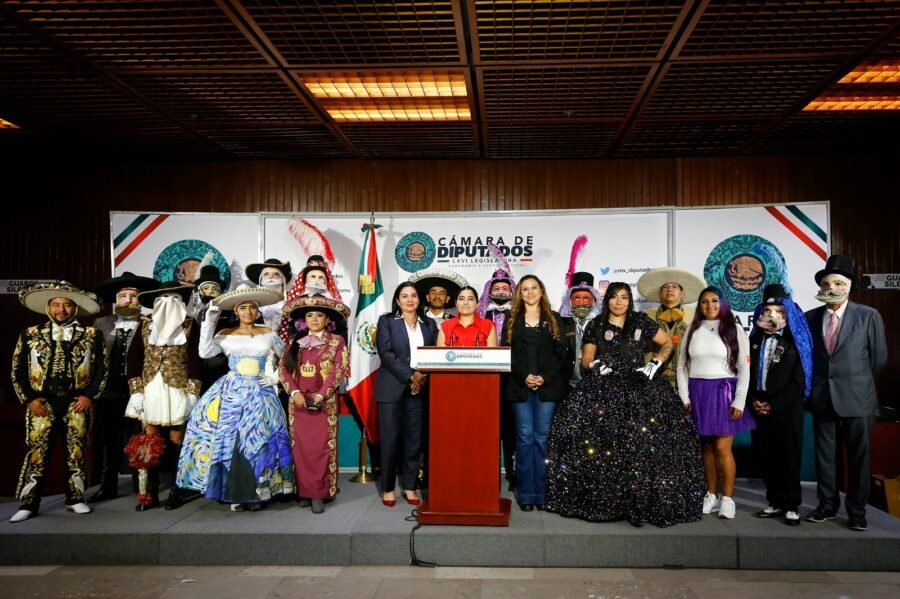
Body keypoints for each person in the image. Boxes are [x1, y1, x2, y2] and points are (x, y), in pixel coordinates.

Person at [545, 282, 704, 527]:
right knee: (602, 447)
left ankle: (637, 500)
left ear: (630, 301)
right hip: (603, 389)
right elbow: (586, 357)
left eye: (624, 297)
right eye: (614, 297)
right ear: (606, 300)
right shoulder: (596, 324)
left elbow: (668, 343)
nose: (619, 302)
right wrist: (594, 365)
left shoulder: (641, 321)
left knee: (639, 445)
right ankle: (608, 501)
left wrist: (655, 364)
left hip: (639, 387)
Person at [177, 285, 295, 511]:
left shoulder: (268, 333)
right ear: (236, 311)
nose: (248, 312)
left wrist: (275, 378)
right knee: (230, 440)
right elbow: (204, 352)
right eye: (243, 308)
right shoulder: (225, 334)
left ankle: (258, 491)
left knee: (260, 440)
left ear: (258, 311)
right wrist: (210, 321)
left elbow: (287, 359)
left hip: (261, 392)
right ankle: (234, 493)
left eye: (252, 307)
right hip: (231, 392)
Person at [10, 282, 107, 523]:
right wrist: (29, 399)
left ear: (75, 308)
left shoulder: (91, 334)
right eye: (56, 305)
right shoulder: (30, 333)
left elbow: (102, 370)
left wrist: (89, 396)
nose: (61, 310)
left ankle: (75, 498)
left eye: (67, 305)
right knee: (37, 452)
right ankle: (29, 503)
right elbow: (17, 370)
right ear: (48, 307)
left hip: (77, 402)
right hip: (42, 403)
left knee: (76, 450)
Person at [804, 255, 887, 532]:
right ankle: (827, 505)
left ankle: (857, 511)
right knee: (825, 457)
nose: (832, 288)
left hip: (858, 399)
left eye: (838, 283)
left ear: (848, 287)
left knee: (858, 458)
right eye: (827, 284)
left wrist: (856, 383)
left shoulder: (868, 315)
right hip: (822, 398)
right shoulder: (810, 317)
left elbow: (878, 359)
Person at [677, 286, 754, 520]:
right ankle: (711, 495)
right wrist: (684, 396)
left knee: (722, 448)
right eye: (704, 301)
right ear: (699, 305)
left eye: (714, 300)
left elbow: (744, 367)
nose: (709, 305)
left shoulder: (734, 329)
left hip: (724, 393)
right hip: (698, 392)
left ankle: (728, 499)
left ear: (722, 303)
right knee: (707, 449)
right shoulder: (692, 329)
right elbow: (682, 366)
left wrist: (739, 400)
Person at [125, 281, 201, 511]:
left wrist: (192, 393)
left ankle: (179, 488)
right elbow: (134, 358)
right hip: (151, 387)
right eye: (163, 299)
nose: (169, 303)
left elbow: (196, 360)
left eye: (174, 298)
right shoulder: (145, 324)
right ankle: (149, 491)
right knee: (150, 438)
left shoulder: (190, 324)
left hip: (178, 387)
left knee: (178, 438)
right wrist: (136, 391)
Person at [503, 275, 570, 512]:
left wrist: (544, 377)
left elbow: (561, 353)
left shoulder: (554, 318)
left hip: (547, 387)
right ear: (519, 294)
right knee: (524, 438)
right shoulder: (512, 319)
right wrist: (525, 376)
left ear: (541, 291)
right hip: (520, 387)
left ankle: (541, 493)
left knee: (542, 438)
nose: (530, 292)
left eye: (534, 288)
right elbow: (507, 353)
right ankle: (525, 493)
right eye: (525, 289)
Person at [748, 283, 813, 526]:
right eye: (767, 310)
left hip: (786, 410)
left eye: (778, 311)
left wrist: (773, 405)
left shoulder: (796, 343)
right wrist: (754, 401)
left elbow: (798, 382)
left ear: (787, 314)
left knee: (789, 457)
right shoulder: (754, 341)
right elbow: (746, 375)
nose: (772, 315)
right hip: (759, 409)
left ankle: (792, 504)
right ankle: (774, 501)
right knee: (767, 456)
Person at [91, 272, 158, 502]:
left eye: (133, 296)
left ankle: (144, 486)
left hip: (140, 390)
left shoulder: (150, 323)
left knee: (141, 437)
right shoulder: (101, 323)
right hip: (109, 391)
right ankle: (107, 486)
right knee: (109, 441)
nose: (128, 301)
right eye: (123, 296)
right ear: (116, 300)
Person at [279, 295, 350, 514]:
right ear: (304, 319)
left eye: (319, 315)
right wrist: (295, 393)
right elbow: (283, 369)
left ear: (327, 319)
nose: (314, 319)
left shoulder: (337, 341)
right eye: (310, 315)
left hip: (324, 404)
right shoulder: (294, 341)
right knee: (300, 449)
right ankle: (303, 491)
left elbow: (338, 370)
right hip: (298, 404)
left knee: (321, 449)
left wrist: (321, 396)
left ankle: (319, 492)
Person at [373, 282, 438, 507]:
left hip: (420, 388)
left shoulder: (429, 324)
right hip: (391, 389)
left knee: (414, 440)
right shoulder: (387, 321)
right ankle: (388, 488)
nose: (410, 300)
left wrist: (422, 377)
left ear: (419, 299)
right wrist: (412, 375)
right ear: (397, 301)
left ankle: (410, 486)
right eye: (404, 296)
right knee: (390, 441)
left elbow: (434, 355)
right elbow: (386, 353)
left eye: (413, 295)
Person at [476, 249, 518, 490]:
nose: (501, 292)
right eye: (497, 288)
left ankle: (513, 475)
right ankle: (486, 473)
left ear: (512, 292)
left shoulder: (520, 315)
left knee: (512, 430)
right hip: (486, 379)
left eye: (505, 288)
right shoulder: (480, 316)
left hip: (513, 380)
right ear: (489, 291)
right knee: (487, 429)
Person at [638, 267, 706, 388]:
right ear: (659, 293)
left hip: (688, 381)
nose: (669, 289)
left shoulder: (695, 316)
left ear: (682, 294)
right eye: (665, 286)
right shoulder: (646, 316)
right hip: (653, 381)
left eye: (675, 286)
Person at [279, 255, 343, 342]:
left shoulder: (333, 302)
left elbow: (341, 329)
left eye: (320, 277)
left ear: (326, 281)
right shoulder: (297, 301)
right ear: (305, 279)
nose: (317, 280)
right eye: (313, 276)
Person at [558, 271, 602, 389]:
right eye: (577, 298)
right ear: (570, 301)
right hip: (566, 385)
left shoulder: (601, 324)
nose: (582, 302)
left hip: (596, 384)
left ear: (594, 301)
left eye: (586, 298)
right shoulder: (560, 324)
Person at [192, 265, 232, 392]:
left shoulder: (229, 314)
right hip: (194, 366)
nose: (210, 292)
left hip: (219, 367)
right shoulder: (190, 313)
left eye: (214, 289)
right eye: (205, 288)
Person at [246, 258, 291, 332]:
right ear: (261, 278)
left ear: (283, 279)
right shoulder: (253, 300)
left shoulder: (291, 299)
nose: (270, 277)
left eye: (276, 274)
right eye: (266, 274)